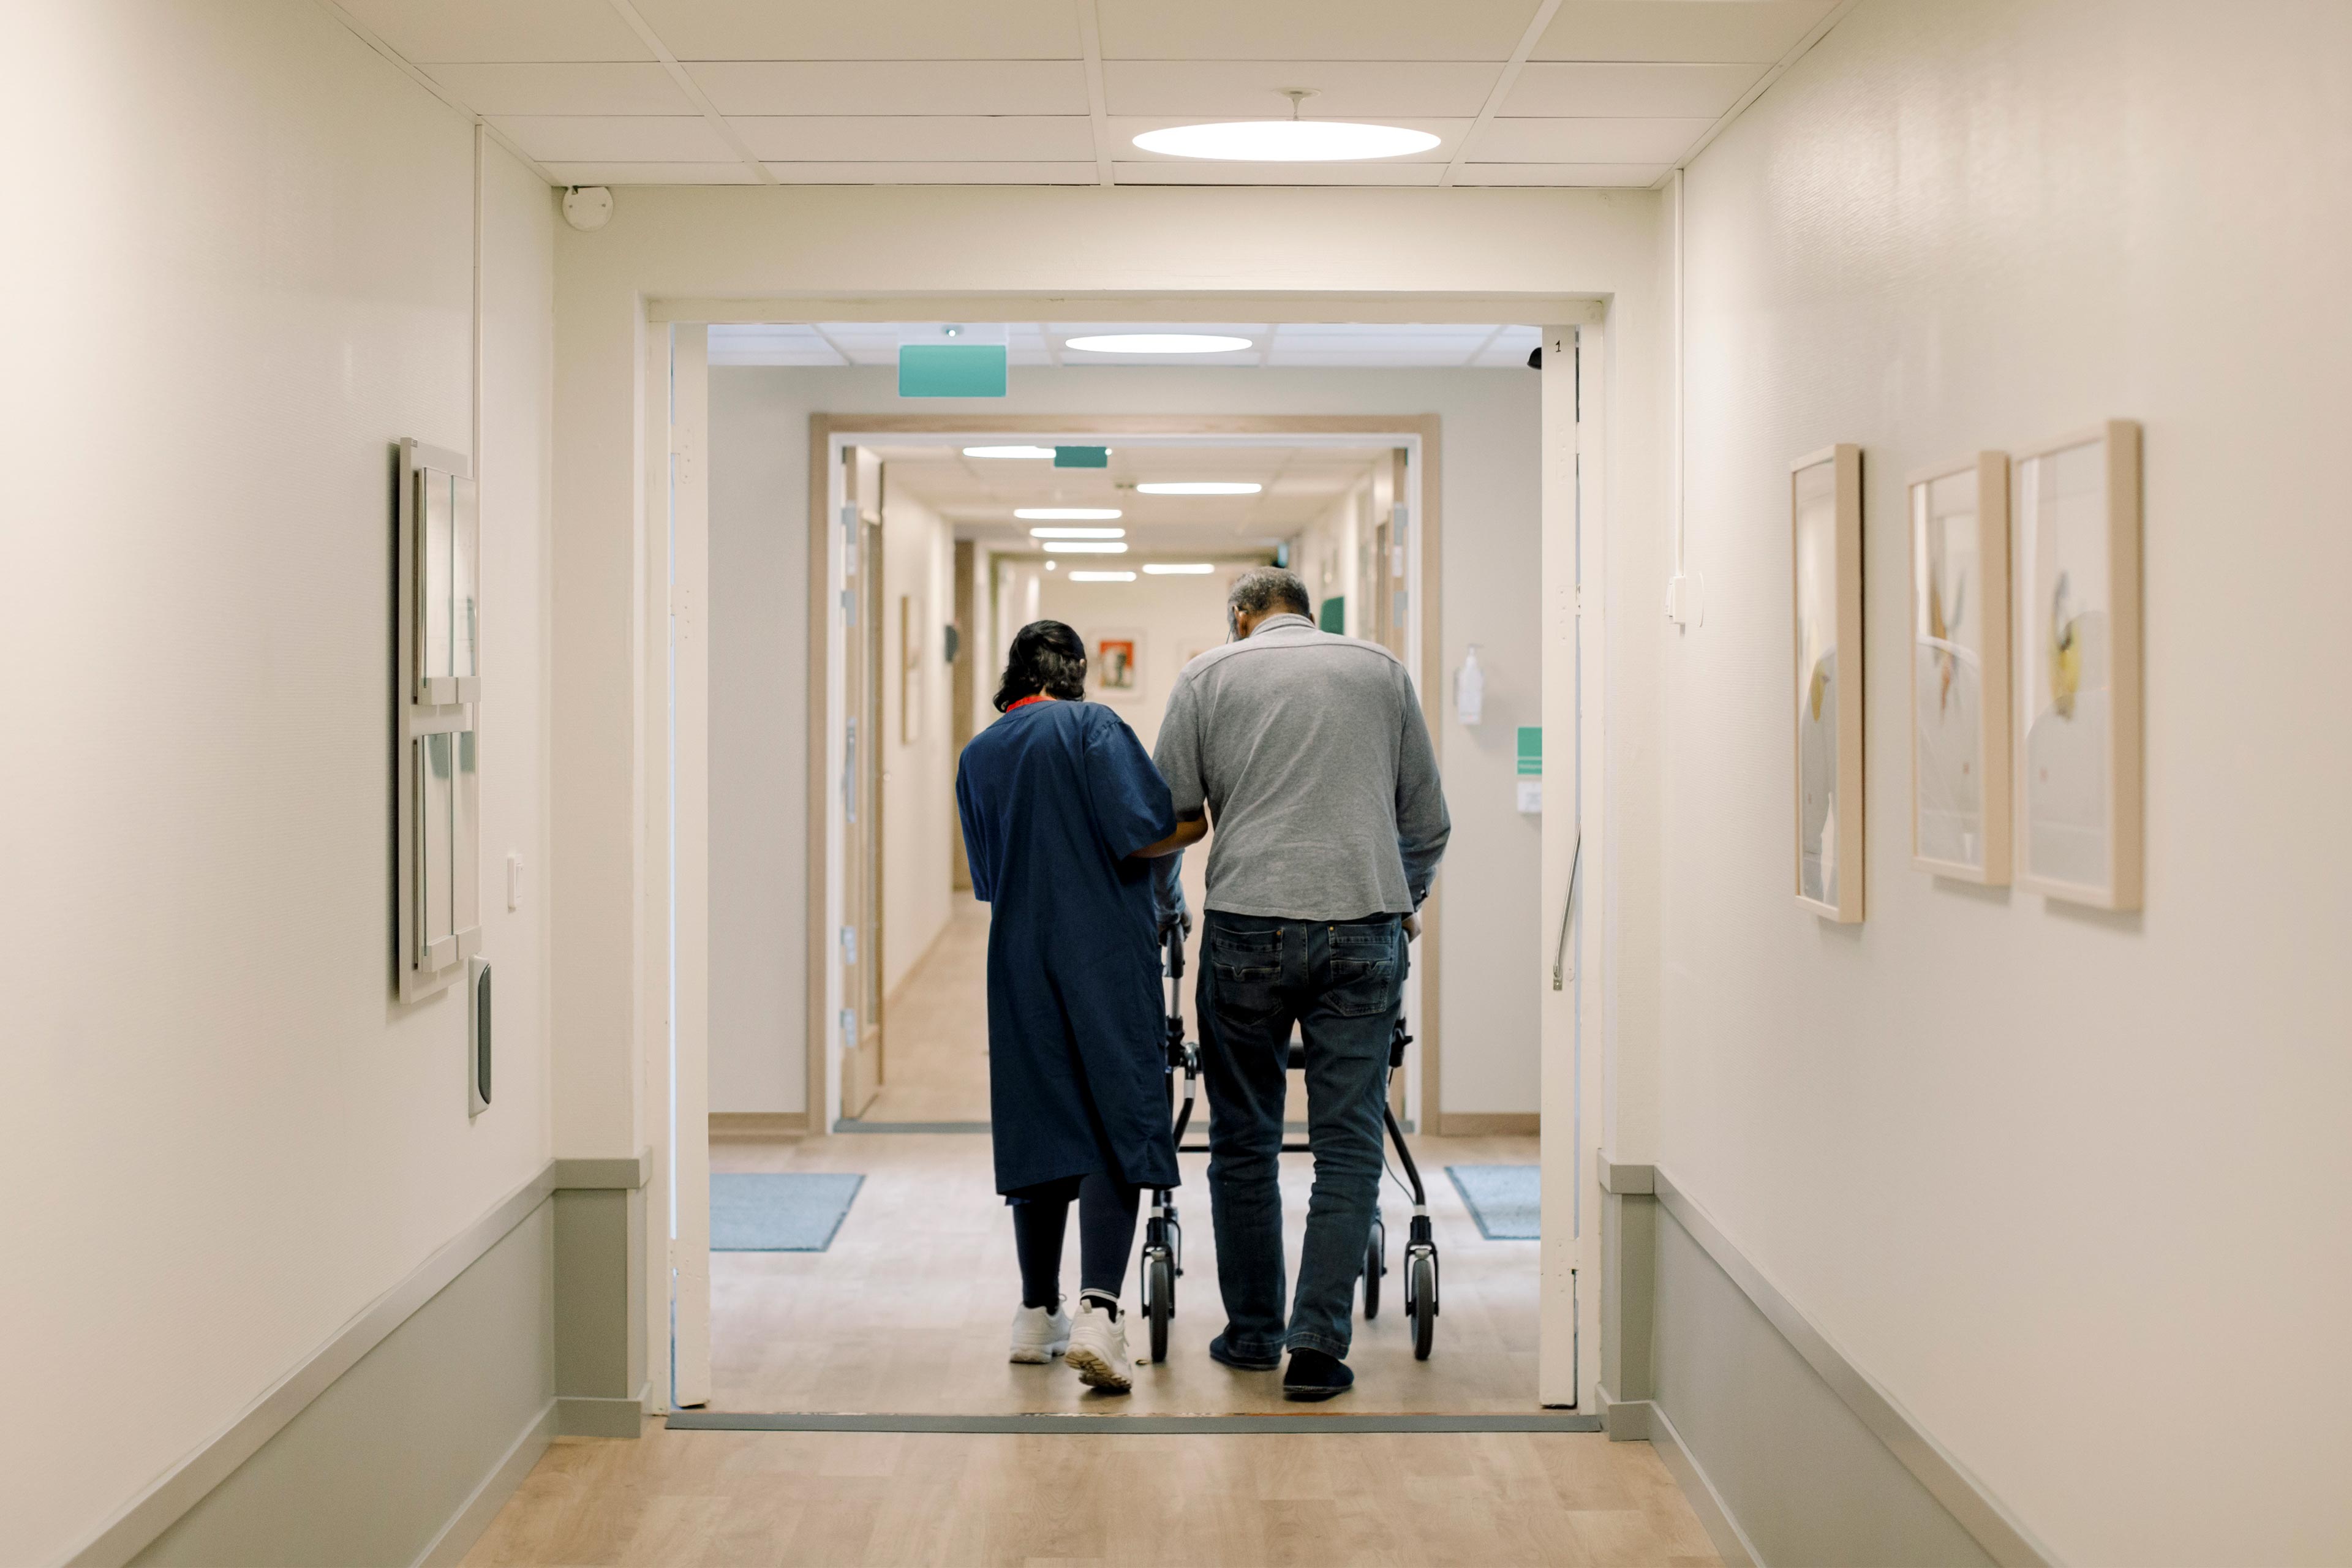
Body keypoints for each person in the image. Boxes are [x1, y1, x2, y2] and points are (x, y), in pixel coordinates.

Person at [1151, 567, 1450, 1401]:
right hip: (1364, 923)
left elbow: (1170, 812)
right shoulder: (1381, 672)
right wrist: (1403, 903)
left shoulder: (1208, 675)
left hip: (1247, 923)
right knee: (1348, 1139)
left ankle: (1252, 1336)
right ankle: (1318, 1345)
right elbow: (1426, 824)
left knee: (1243, 1137)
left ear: (1243, 618)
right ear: (1309, 615)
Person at [954, 620, 1196, 1393]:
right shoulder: (1093, 726)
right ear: (1078, 672)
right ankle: (1099, 1310)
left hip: (1019, 955)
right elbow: (1146, 835)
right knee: (1112, 1115)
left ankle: (1035, 1313)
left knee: (1041, 1115)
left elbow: (988, 877)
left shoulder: (980, 754)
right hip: (1102, 952)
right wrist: (1199, 817)